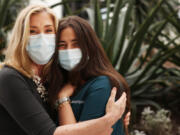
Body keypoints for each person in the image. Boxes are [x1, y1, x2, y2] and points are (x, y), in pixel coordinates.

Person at [0, 5, 127, 135]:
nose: (42, 38)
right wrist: (110, 119)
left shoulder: (51, 79)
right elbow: (48, 132)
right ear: (21, 37)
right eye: (32, 31)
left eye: (48, 30)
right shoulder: (10, 77)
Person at [47, 16, 131, 135]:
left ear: (89, 46)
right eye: (62, 45)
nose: (68, 50)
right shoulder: (60, 83)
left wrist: (63, 99)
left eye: (75, 44)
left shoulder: (102, 85)